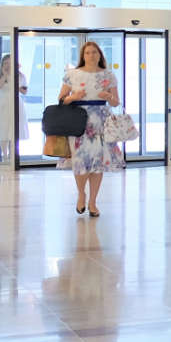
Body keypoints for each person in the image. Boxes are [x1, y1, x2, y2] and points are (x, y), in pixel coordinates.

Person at [59, 40, 122, 217]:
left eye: (94, 52)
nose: (91, 55)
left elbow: (116, 102)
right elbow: (61, 99)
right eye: (87, 53)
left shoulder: (108, 75)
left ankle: (93, 202)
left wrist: (108, 96)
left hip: (101, 122)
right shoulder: (72, 74)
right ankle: (81, 194)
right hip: (79, 121)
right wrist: (74, 97)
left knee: (98, 163)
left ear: (100, 55)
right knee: (80, 161)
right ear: (82, 56)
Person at [0, 54, 25, 162]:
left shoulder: (20, 75)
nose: (8, 65)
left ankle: (12, 155)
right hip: (2, 103)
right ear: (2, 64)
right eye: (5, 63)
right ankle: (4, 156)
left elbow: (24, 91)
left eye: (10, 63)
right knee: (2, 128)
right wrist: (4, 75)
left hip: (16, 102)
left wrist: (15, 78)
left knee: (14, 129)